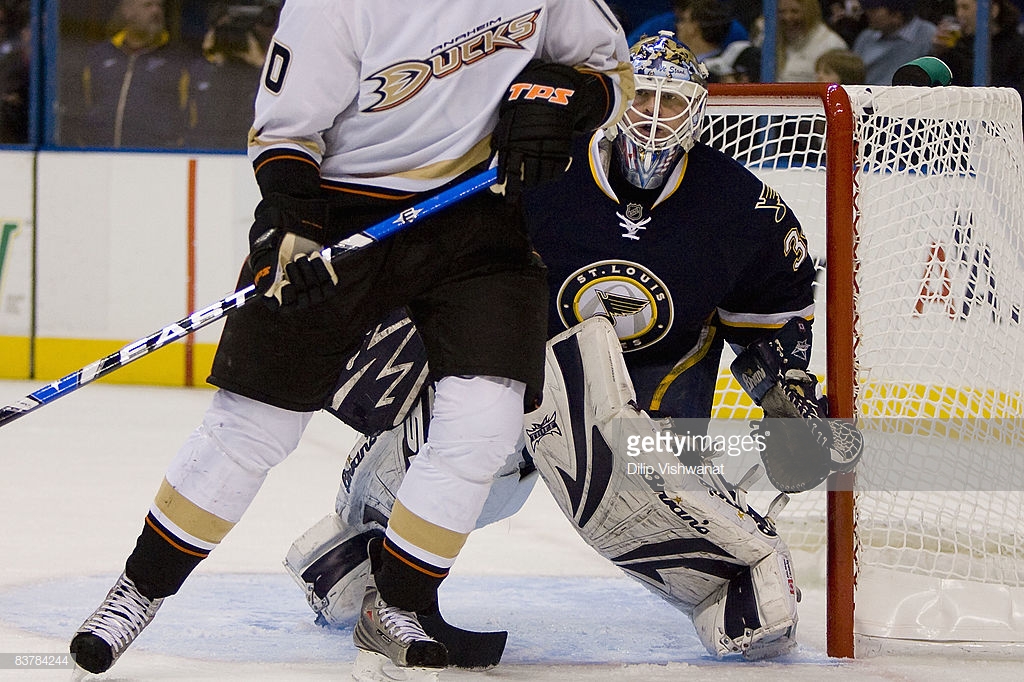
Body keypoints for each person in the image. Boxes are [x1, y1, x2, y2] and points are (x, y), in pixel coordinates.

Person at [67, 1, 632, 678]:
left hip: (474, 210)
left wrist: (566, 98)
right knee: (252, 427)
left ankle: (396, 606)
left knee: (483, 422)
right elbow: (286, 136)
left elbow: (609, 71)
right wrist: (291, 225)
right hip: (339, 207)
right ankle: (138, 590)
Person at [286, 32, 863, 666]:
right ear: (615, 102)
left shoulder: (745, 209)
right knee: (464, 440)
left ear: (698, 111)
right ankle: (370, 541)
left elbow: (766, 326)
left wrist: (785, 394)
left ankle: (734, 573)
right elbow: (446, 269)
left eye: (671, 102)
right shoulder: (539, 171)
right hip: (518, 361)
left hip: (652, 393)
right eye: (641, 97)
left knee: (624, 480)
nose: (652, 115)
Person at [62, 0, 189, 147]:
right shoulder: (99, 57)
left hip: (155, 159)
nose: (156, 11)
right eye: (148, 5)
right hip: (101, 158)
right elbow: (82, 106)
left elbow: (188, 115)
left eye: (159, 5)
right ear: (127, 11)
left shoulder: (177, 59)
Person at [184, 3, 275, 149]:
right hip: (207, 147)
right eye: (225, 28)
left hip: (251, 146)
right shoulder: (203, 72)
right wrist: (213, 53)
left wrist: (261, 64)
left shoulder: (260, 73)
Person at [931, 0, 1024, 98]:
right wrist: (938, 54)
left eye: (965, 7)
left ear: (993, 10)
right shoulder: (958, 46)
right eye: (957, 8)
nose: (959, 14)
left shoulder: (1018, 49)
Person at [852, 0, 936, 85]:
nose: (867, 14)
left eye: (874, 10)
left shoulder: (929, 35)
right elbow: (853, 71)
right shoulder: (866, 36)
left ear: (897, 15)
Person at [677, 0, 762, 82]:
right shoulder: (678, 64)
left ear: (694, 27)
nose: (678, 26)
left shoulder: (721, 72)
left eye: (683, 20)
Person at [775, 0, 849, 82]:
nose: (787, 17)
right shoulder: (772, 41)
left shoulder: (832, 44)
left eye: (795, 11)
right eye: (782, 12)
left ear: (810, 12)